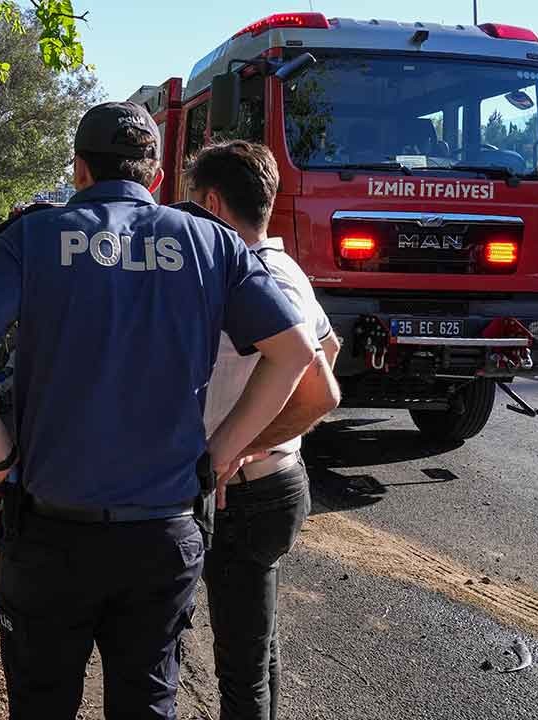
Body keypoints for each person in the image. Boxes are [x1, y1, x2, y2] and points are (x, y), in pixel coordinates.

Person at [0, 102, 317, 720]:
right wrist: (221, 452)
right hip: (162, 534)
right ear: (155, 176)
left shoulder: (34, 236)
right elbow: (295, 352)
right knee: (147, 701)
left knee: (41, 704)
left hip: (51, 533)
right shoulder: (211, 242)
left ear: (80, 170)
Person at [185, 140, 342, 720]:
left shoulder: (253, 276)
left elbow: (323, 391)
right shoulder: (286, 267)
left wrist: (237, 449)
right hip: (273, 486)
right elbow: (330, 347)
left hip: (244, 494)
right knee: (257, 647)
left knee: (239, 669)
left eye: (192, 203)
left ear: (213, 204)